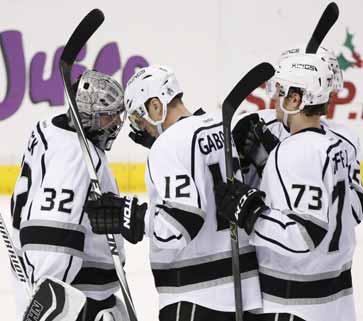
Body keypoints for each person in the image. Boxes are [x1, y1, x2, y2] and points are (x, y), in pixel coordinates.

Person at [85, 65, 262, 321]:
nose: (140, 127)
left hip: (194, 298)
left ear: (156, 106)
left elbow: (180, 226)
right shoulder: (221, 127)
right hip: (245, 295)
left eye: (138, 117)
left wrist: (131, 216)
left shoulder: (169, 144)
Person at [215, 53, 357, 321]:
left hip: (296, 305)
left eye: (280, 91)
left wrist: (251, 214)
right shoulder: (336, 146)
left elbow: (306, 233)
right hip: (338, 300)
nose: (274, 99)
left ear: (296, 99)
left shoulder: (294, 151)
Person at [10, 70, 129, 321]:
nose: (116, 123)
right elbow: (54, 236)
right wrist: (48, 301)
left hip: (61, 286)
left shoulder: (49, 128)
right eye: (108, 116)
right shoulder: (76, 156)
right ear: (87, 117)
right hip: (73, 301)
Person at [232, 46, 362, 224]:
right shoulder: (258, 123)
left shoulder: (347, 140)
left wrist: (271, 165)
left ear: (295, 98)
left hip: (288, 240)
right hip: (281, 240)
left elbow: (353, 212)